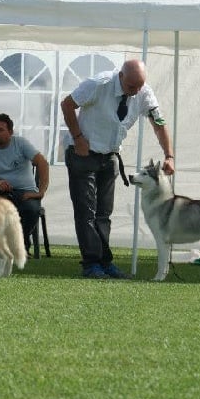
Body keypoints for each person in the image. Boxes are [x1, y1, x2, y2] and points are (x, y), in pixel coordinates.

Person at [60, 59, 175, 279]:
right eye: (132, 87)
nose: (136, 92)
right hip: (83, 154)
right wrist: (78, 137)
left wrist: (169, 155)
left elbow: (158, 123)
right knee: (87, 213)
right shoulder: (97, 84)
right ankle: (91, 264)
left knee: (104, 213)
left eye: (140, 86)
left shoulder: (144, 92)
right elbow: (67, 104)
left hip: (110, 156)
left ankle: (105, 262)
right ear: (121, 76)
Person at [0, 113, 49, 256]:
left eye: (0, 130)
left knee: (31, 210)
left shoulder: (21, 143)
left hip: (25, 192)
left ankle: (20, 246)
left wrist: (41, 191)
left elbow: (42, 162)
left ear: (10, 132)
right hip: (1, 193)